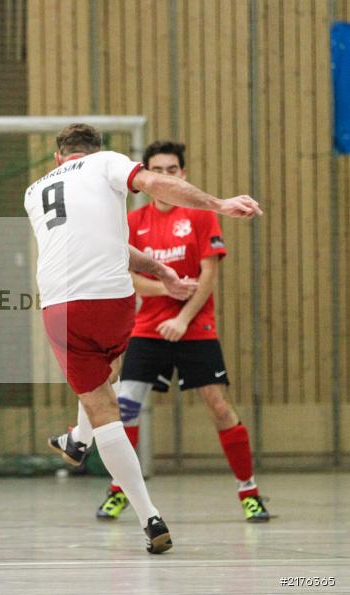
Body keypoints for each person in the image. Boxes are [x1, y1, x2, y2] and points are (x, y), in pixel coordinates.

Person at [24, 123, 261, 554]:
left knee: (101, 402)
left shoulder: (34, 190)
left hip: (59, 306)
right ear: (96, 151)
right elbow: (148, 186)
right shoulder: (107, 162)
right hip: (113, 302)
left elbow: (103, 242)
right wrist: (221, 203)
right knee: (107, 379)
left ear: (59, 158)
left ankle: (146, 512)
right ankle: (79, 440)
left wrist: (159, 269)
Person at [93, 141, 269, 523]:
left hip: (195, 327)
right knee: (126, 407)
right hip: (148, 328)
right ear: (148, 176)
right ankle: (120, 489)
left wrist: (183, 318)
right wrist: (166, 288)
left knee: (219, 406)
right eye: (159, 170)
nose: (166, 176)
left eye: (173, 170)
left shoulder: (203, 217)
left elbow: (208, 276)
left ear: (182, 174)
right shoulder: (135, 223)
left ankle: (249, 490)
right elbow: (133, 279)